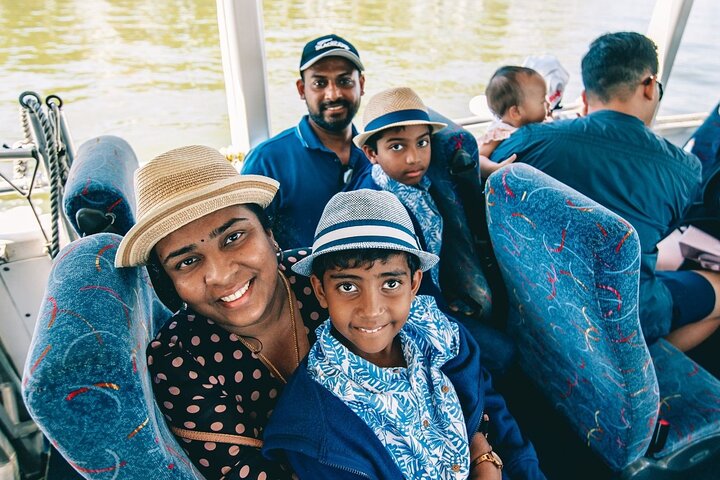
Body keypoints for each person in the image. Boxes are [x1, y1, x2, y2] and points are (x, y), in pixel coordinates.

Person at [261, 189, 545, 479]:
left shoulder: (439, 335)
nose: (371, 310)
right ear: (321, 290)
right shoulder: (314, 425)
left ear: (414, 284)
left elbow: (494, 412)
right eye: (348, 286)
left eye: (391, 284)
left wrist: (486, 457)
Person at [490, 31, 720, 351]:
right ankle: (643, 371)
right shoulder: (684, 170)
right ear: (649, 86)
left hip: (538, 297)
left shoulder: (526, 141)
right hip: (623, 314)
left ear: (586, 94)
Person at [115, 145, 329, 479]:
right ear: (169, 284)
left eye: (234, 237)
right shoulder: (181, 361)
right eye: (187, 261)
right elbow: (244, 472)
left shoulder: (325, 276)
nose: (221, 275)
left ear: (270, 235)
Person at [348, 87, 516, 373]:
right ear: (371, 153)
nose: (414, 158)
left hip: (433, 292)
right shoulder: (378, 210)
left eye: (422, 143)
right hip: (406, 313)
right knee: (504, 356)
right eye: (397, 147)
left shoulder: (415, 182)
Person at [241, 34, 370, 249]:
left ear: (361, 85)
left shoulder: (375, 153)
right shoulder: (267, 160)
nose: (333, 94)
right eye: (320, 83)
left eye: (345, 81)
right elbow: (246, 239)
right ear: (302, 89)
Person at [478, 66, 550, 178]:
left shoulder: (540, 125)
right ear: (516, 112)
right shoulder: (501, 131)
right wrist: (493, 168)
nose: (548, 104)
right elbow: (480, 157)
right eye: (543, 101)